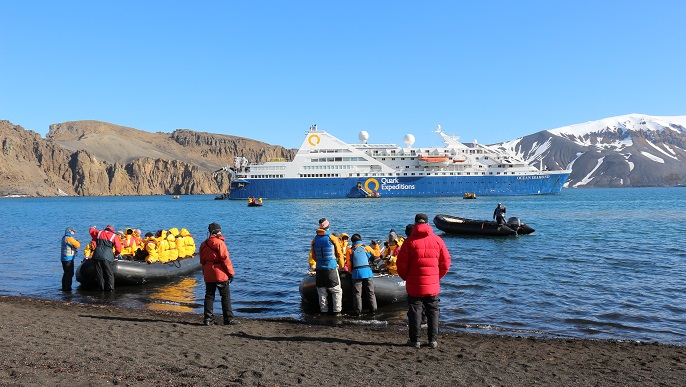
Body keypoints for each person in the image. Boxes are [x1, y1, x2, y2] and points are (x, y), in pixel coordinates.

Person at [396, 213, 451, 349]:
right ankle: (432, 340)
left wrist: (406, 278)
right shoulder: (438, 240)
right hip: (432, 284)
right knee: (433, 311)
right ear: (427, 224)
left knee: (415, 311)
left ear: (415, 224)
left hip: (414, 285)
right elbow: (446, 263)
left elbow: (401, 264)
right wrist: (436, 277)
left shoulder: (409, 242)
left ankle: (415, 341)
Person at [199, 222, 236, 326]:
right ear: (217, 232)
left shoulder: (203, 244)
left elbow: (202, 261)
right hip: (220, 273)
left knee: (209, 296)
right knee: (225, 296)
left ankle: (208, 319)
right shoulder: (220, 243)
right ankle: (228, 319)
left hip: (208, 272)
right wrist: (231, 273)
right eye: (220, 230)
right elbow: (225, 259)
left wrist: (204, 272)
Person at [309, 218, 345, 316]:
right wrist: (341, 266)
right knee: (336, 291)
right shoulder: (332, 238)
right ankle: (337, 312)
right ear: (328, 227)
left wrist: (317, 264)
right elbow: (339, 254)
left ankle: (324, 312)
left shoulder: (314, 240)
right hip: (331, 268)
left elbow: (313, 256)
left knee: (321, 291)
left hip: (320, 269)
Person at [345, 234, 377, 316]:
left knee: (357, 294)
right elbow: (376, 254)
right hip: (367, 272)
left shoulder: (350, 250)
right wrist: (376, 245)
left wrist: (350, 272)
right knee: (370, 292)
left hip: (356, 273)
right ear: (361, 240)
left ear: (352, 242)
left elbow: (349, 264)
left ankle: (358, 311)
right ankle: (373, 310)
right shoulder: (366, 248)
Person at [89, 225, 122, 292]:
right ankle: (110, 289)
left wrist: (93, 227)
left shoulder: (99, 232)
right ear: (112, 230)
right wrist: (116, 255)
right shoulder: (114, 236)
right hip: (108, 256)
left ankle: (101, 289)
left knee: (99, 273)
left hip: (97, 255)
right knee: (109, 273)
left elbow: (91, 231)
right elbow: (118, 248)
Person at [60, 227, 81, 291]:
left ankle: (64, 287)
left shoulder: (64, 238)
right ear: (69, 231)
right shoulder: (69, 238)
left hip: (63, 258)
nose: (74, 233)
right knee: (69, 273)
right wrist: (77, 241)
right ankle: (67, 288)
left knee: (65, 273)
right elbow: (77, 245)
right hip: (68, 258)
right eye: (73, 231)